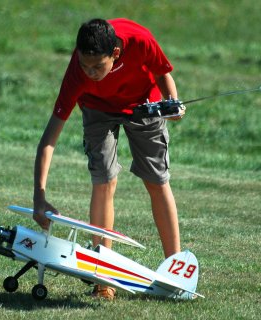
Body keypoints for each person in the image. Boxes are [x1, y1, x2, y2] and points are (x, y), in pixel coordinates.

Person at [32, 18, 185, 299]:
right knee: (103, 179)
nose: (89, 72)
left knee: (156, 180)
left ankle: (174, 276)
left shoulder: (140, 40)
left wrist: (171, 102)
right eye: (84, 65)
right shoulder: (77, 73)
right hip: (97, 109)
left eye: (97, 67)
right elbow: (49, 139)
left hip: (143, 104)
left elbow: (162, 72)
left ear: (115, 54)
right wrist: (39, 197)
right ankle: (103, 278)